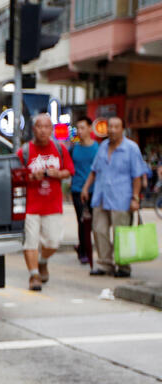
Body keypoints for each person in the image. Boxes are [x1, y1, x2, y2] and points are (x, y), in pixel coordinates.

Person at [81, 116, 145, 278]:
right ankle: (104, 264)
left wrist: (135, 198)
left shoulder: (131, 148)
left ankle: (123, 266)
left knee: (121, 233)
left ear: (122, 129)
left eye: (116, 127)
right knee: (99, 230)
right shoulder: (102, 146)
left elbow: (137, 175)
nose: (112, 130)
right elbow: (95, 170)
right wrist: (86, 188)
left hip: (122, 198)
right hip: (101, 196)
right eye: (110, 127)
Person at [16, 113, 74, 291]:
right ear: (34, 129)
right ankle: (34, 275)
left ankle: (42, 262)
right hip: (30, 206)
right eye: (39, 126)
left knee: (53, 243)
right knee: (31, 242)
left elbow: (69, 171)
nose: (43, 130)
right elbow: (16, 176)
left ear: (51, 129)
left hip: (52, 205)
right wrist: (32, 176)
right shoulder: (24, 151)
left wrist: (58, 174)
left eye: (46, 126)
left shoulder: (59, 148)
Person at [68, 116, 99, 266]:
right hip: (77, 190)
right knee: (82, 220)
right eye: (77, 128)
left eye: (82, 128)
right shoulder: (73, 148)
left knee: (93, 222)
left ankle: (81, 246)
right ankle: (84, 252)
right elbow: (68, 167)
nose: (80, 131)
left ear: (90, 129)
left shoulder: (97, 148)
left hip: (94, 190)